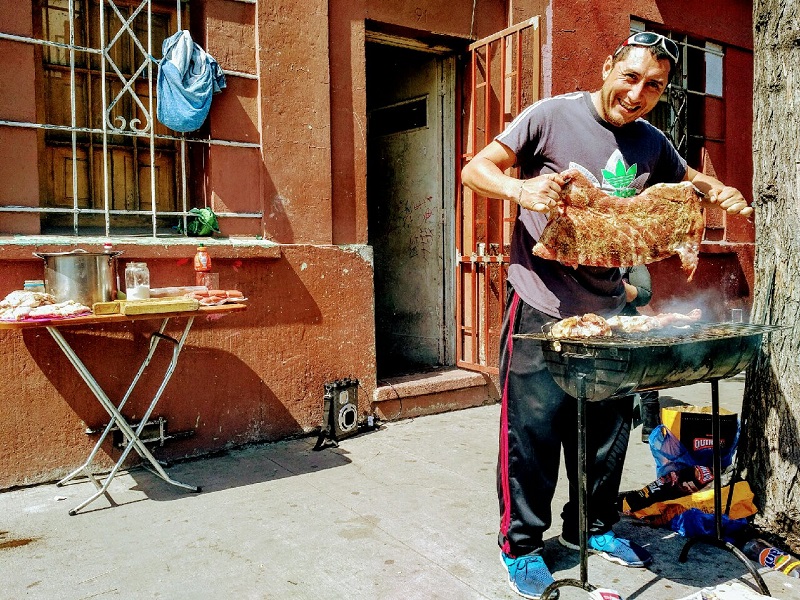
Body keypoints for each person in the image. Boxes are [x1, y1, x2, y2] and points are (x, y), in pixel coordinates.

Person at [460, 31, 753, 600]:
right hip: (541, 306)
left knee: (605, 434)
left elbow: (687, 181)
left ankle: (592, 529)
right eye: (631, 77)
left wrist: (715, 190)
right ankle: (521, 545)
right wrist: (520, 190)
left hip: (611, 313)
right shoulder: (549, 116)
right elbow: (477, 170)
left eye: (654, 87)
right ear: (608, 66)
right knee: (533, 434)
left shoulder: (651, 141)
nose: (638, 93)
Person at [619, 265, 662, 443]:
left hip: (627, 320)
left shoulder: (629, 257)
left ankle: (650, 422)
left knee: (646, 358)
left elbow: (644, 294)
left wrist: (616, 286)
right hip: (590, 322)